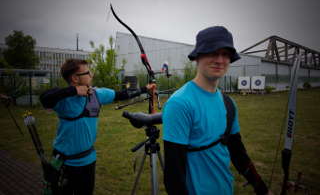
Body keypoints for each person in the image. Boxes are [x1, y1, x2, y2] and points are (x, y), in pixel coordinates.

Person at [162, 26, 272, 195]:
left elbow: (238, 153)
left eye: (226, 54)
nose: (220, 60)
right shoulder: (180, 103)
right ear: (197, 57)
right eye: (212, 52)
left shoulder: (229, 104)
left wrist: (262, 189)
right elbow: (173, 176)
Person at [40, 58, 149, 195]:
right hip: (64, 163)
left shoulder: (97, 94)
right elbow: (45, 99)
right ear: (74, 78)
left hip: (88, 160)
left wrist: (146, 89)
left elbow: (121, 94)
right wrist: (73, 91)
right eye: (87, 73)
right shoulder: (64, 100)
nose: (91, 75)